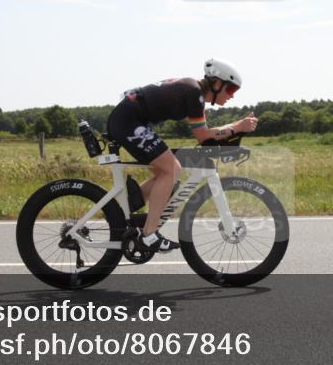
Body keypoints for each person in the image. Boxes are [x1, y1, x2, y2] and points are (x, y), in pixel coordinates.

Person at [106, 59, 258, 254]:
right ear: (217, 83)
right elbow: (203, 135)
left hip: (129, 120)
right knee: (172, 169)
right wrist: (237, 127)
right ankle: (149, 234)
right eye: (230, 90)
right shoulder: (194, 94)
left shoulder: (193, 91)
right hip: (128, 122)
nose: (231, 96)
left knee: (165, 173)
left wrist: (237, 126)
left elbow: (205, 133)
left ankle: (127, 207)